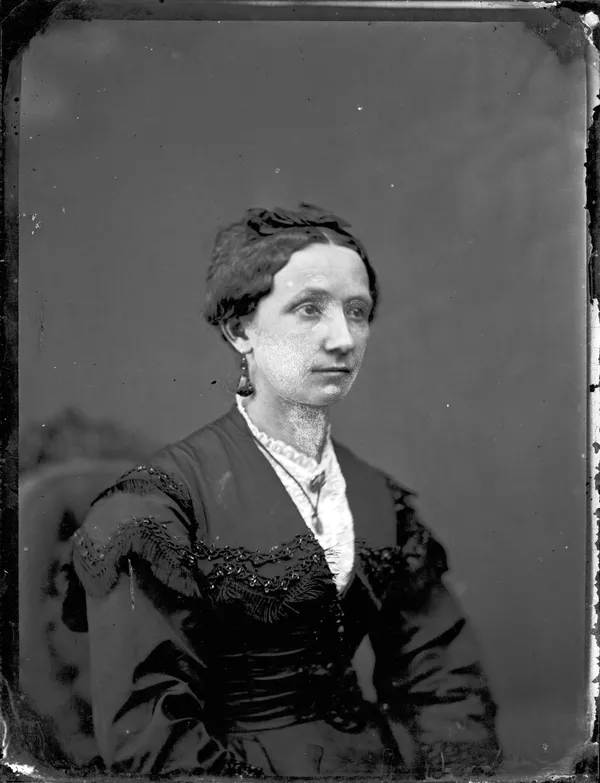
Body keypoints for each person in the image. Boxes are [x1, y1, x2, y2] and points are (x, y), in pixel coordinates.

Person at [62, 203, 501, 778]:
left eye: (357, 311)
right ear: (240, 329)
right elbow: (150, 735)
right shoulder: (157, 508)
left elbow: (446, 681)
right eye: (309, 308)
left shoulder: (376, 497)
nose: (343, 339)